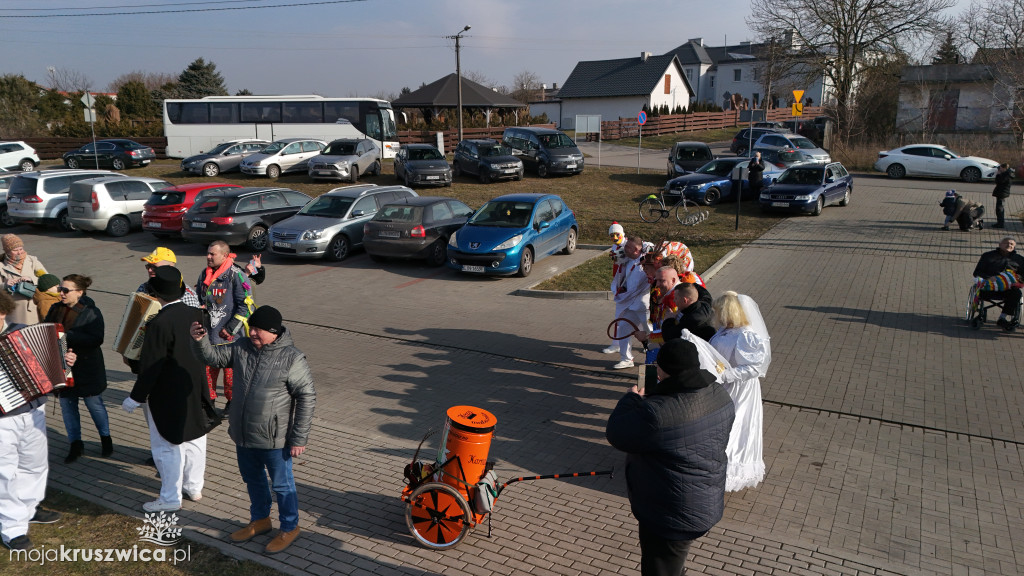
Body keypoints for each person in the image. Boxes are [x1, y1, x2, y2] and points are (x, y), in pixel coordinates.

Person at [190, 306, 316, 555]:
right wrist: (200, 340)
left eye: (258, 329)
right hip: (243, 434)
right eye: (252, 328)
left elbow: (307, 397)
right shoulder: (241, 347)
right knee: (253, 480)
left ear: (274, 332)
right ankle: (260, 520)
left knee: (282, 486)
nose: (253, 333)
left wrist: (299, 437)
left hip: (275, 440)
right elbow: (212, 358)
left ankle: (290, 527)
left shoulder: (292, 358)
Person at [606, 338, 735, 576]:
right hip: (703, 500)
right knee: (672, 561)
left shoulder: (657, 414)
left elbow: (617, 434)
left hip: (669, 513)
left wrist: (630, 400)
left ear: (663, 371)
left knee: (660, 567)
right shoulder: (718, 394)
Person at [123, 267, 214, 513]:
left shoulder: (159, 323)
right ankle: (194, 487)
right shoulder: (197, 313)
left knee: (166, 446)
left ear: (154, 294)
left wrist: (136, 397)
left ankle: (170, 497)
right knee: (196, 439)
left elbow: (152, 366)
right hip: (195, 386)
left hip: (166, 394)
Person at [0, 291, 63, 551]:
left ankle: (28, 507)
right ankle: (11, 528)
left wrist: (66, 362)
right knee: (5, 473)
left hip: (33, 411)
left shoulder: (21, 332)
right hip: (3, 420)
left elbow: (54, 364)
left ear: (3, 311)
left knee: (34, 465)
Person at [44, 274, 112, 464]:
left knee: (94, 405)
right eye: (60, 289)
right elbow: (46, 330)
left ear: (79, 292)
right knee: (67, 406)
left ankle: (105, 439)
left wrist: (66, 336)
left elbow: (97, 338)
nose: (61, 293)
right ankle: (75, 444)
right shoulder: (55, 308)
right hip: (63, 367)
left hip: (87, 367)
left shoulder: (92, 312)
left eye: (66, 290)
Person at [710, 291, 771, 492]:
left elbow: (755, 368)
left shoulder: (746, 335)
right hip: (724, 386)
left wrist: (728, 375)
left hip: (740, 389)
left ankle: (728, 474)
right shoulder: (725, 331)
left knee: (735, 428)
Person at [196, 241, 254, 408]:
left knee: (232, 379)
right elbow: (201, 300)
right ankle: (209, 405)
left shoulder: (237, 275)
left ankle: (232, 406)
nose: (208, 257)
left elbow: (246, 306)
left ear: (224, 255)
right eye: (207, 253)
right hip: (209, 338)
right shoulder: (204, 274)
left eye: (212, 254)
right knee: (207, 375)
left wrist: (229, 329)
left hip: (231, 341)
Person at [610, 236, 651, 370]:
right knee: (623, 327)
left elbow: (654, 250)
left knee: (650, 332)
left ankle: (654, 359)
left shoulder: (646, 261)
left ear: (636, 249)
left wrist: (647, 247)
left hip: (645, 306)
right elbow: (617, 260)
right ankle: (626, 359)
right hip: (631, 305)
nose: (624, 248)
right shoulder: (628, 258)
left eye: (628, 247)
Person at [973, 237, 1024, 328]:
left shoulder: (1019, 259)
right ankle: (980, 314)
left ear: (1014, 247)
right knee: (980, 290)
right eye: (1006, 243)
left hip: (1008, 288)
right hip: (989, 286)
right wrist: (988, 277)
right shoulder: (988, 256)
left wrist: (1019, 279)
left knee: (1016, 294)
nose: (1009, 245)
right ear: (1000, 244)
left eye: (1012, 244)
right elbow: (977, 272)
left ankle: (1002, 318)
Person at [0, 234, 47, 325]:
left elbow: (47, 278)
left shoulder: (32, 261)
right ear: (7, 251)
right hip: (15, 309)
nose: (19, 252)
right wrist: (5, 285)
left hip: (34, 306)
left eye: (21, 249)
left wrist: (31, 279)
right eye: (15, 250)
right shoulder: (1, 267)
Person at [602, 223, 629, 355]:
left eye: (617, 234)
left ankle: (654, 343)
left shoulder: (628, 247)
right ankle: (617, 343)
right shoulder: (616, 246)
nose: (615, 237)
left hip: (630, 287)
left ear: (622, 234)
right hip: (622, 285)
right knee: (620, 316)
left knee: (643, 320)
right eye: (612, 235)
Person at [992, 163, 1012, 229]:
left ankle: (1000, 223)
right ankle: (999, 222)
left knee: (1000, 209)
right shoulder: (1007, 174)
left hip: (1002, 193)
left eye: (1000, 168)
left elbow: (999, 181)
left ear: (1004, 168)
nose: (1000, 169)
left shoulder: (1006, 175)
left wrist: (998, 175)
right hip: (1002, 192)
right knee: (999, 208)